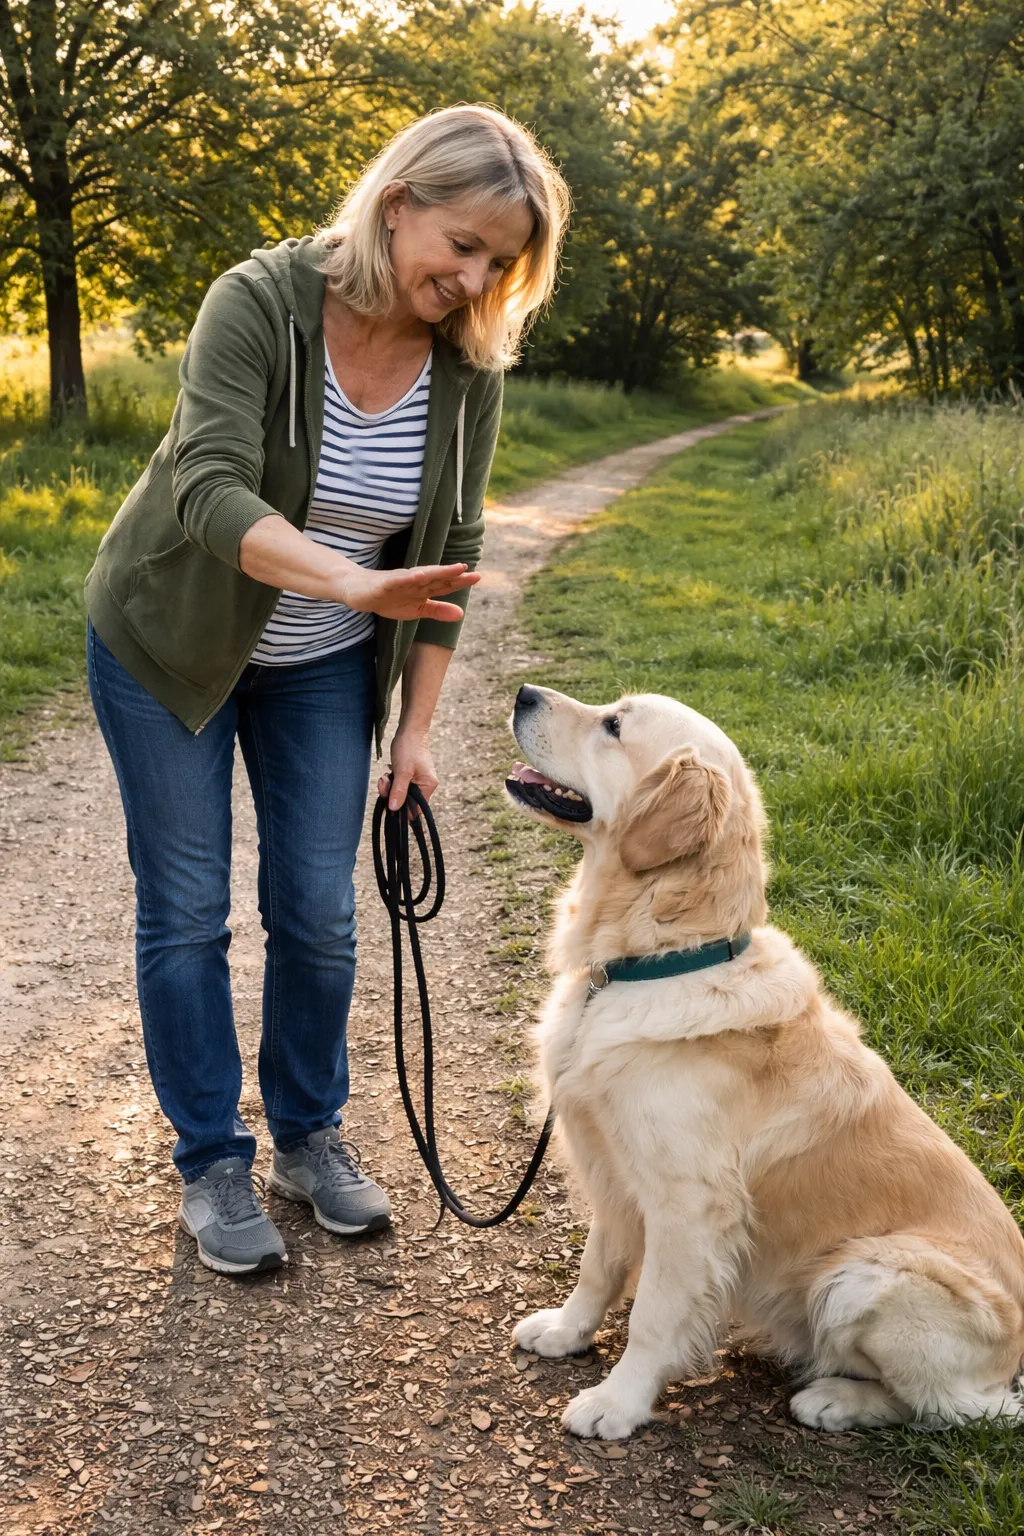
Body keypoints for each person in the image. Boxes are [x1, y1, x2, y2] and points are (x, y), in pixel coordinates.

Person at [84, 105, 570, 1276]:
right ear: (396, 200)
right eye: (459, 244)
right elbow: (206, 489)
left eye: (499, 262)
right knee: (188, 906)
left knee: (318, 907)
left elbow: (452, 543)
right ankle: (211, 1157)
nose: (472, 277)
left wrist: (415, 731)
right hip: (172, 642)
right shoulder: (258, 301)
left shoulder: (468, 365)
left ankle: (307, 1136)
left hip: (317, 665)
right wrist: (355, 582)